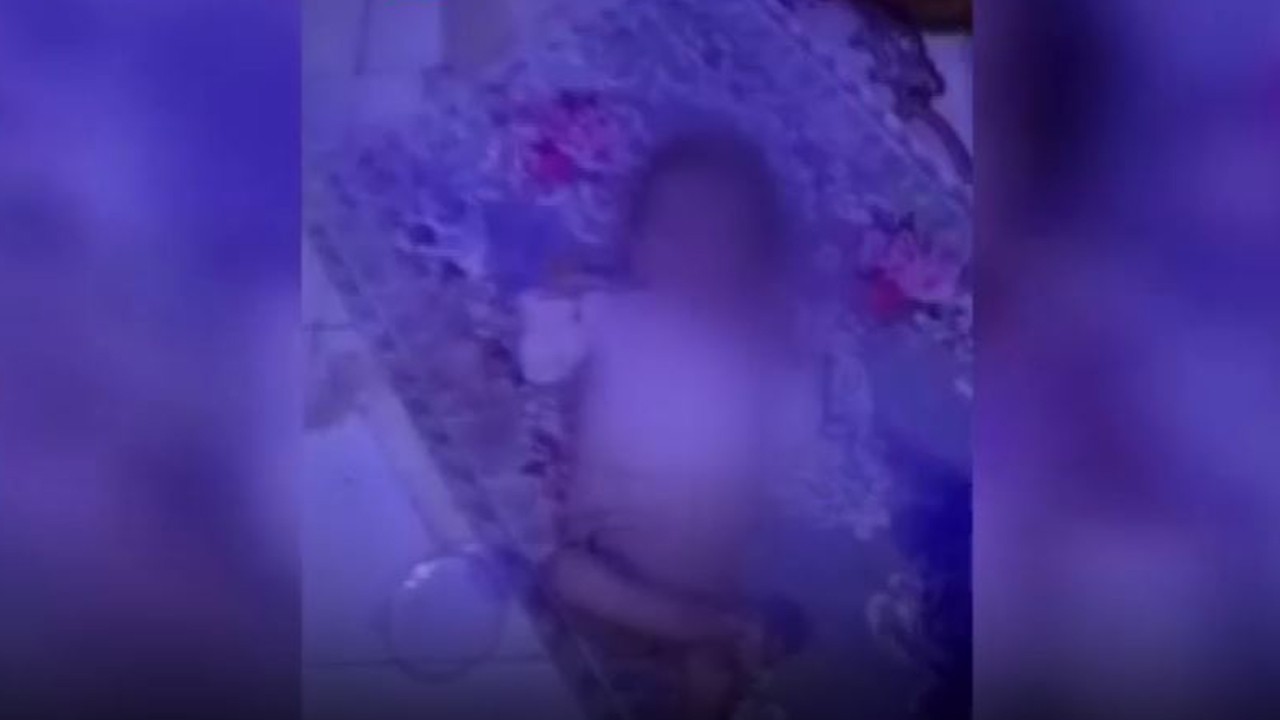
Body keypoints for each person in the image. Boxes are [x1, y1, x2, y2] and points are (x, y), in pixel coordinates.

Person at [518, 129, 812, 719]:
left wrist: (786, 359)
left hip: (702, 570)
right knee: (562, 573)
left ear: (757, 259)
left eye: (719, 236)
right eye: (671, 229)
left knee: (707, 673)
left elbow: (792, 440)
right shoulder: (612, 313)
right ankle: (717, 631)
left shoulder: (758, 351)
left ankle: (708, 653)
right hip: (610, 564)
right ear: (634, 242)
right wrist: (552, 300)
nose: (691, 249)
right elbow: (540, 366)